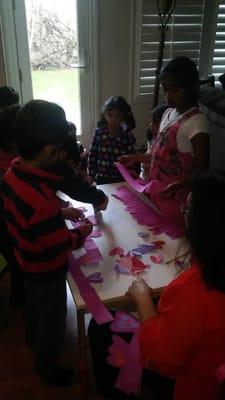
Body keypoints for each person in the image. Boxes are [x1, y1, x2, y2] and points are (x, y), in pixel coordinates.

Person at [88, 171, 225, 400]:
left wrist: (142, 299)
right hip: (210, 366)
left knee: (101, 324)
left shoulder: (194, 290)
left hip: (192, 385)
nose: (183, 215)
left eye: (187, 211)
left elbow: (160, 359)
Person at [1, 100, 93, 386]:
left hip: (25, 262)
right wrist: (84, 232)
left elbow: (27, 214)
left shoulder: (13, 173)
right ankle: (46, 367)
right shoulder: (40, 200)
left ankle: (31, 339)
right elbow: (59, 243)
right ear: (50, 151)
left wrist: (60, 211)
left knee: (32, 306)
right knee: (53, 319)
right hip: (47, 269)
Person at [119, 57, 209, 219]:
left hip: (175, 201)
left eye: (175, 90)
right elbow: (158, 156)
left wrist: (181, 184)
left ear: (191, 88)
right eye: (165, 89)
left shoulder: (196, 123)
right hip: (155, 192)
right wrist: (134, 158)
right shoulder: (167, 113)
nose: (168, 96)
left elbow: (202, 170)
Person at [88, 95, 137, 184]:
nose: (113, 119)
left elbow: (131, 156)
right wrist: (91, 175)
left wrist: (132, 174)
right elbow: (92, 154)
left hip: (121, 176)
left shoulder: (127, 134)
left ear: (123, 116)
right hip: (102, 176)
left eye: (118, 116)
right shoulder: (99, 132)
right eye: (110, 115)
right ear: (104, 114)